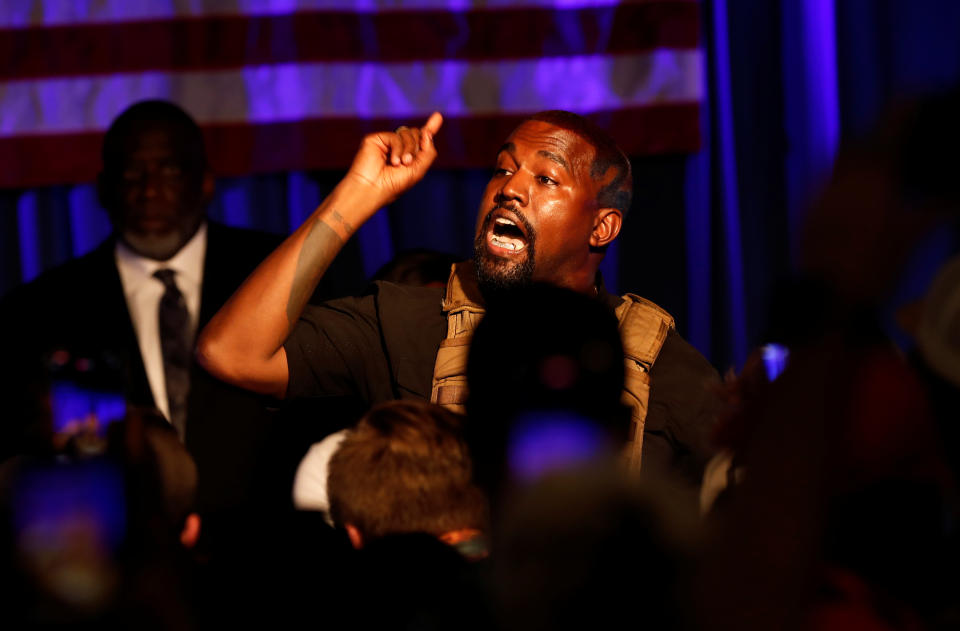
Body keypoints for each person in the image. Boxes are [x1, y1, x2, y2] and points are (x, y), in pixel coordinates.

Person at [198, 110, 720, 486]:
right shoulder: (404, 322)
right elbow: (231, 353)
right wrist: (356, 194)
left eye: (545, 178)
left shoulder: (660, 363)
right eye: (502, 168)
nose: (509, 189)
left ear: (602, 227)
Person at [0, 100, 282, 519]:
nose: (149, 191)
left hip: (271, 544)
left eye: (168, 171)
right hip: (119, 557)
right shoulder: (39, 307)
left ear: (205, 182)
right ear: (103, 189)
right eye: (132, 173)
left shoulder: (275, 273)